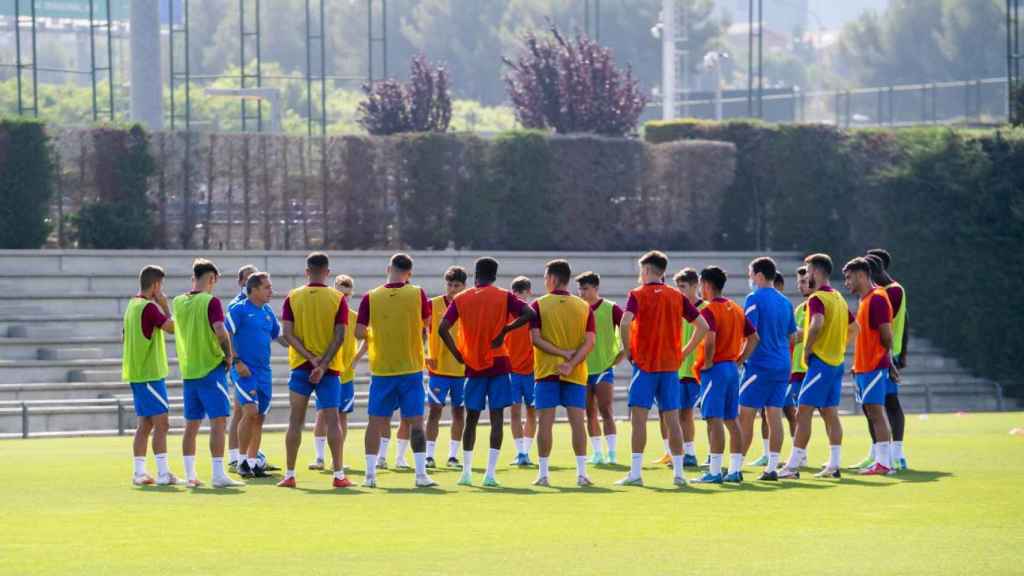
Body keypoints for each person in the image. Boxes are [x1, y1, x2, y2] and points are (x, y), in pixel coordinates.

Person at [438, 257, 535, 487]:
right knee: (497, 418)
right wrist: (506, 331)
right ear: (494, 276)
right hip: (499, 363)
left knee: (471, 418)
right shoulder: (503, 296)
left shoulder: (461, 298)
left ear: (475, 276)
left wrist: (457, 353)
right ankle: (490, 474)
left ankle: (466, 472)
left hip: (473, 365)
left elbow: (442, 328)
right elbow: (529, 313)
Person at [615, 251, 709, 487]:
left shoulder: (637, 294)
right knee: (672, 420)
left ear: (646, 270)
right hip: (669, 367)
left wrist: (628, 351)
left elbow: (625, 322)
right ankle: (679, 473)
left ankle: (636, 473)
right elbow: (703, 325)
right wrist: (684, 352)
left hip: (645, 366)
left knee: (638, 419)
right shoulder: (676, 296)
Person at [358, 253, 437, 488]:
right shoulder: (417, 293)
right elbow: (427, 322)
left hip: (382, 368)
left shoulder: (370, 297)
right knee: (415, 421)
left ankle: (370, 476)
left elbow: (359, 332)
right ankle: (421, 475)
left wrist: (379, 332)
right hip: (410, 366)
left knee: (375, 420)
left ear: (388, 268)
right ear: (409, 274)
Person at [778, 254, 855, 480]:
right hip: (836, 363)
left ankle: (793, 466)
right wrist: (838, 346)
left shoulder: (817, 298)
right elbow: (855, 328)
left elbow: (817, 323)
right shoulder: (839, 298)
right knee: (831, 413)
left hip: (820, 363)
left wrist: (809, 348)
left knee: (803, 411)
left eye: (808, 270)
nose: (806, 274)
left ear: (816, 272)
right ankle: (834, 464)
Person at [277, 253, 349, 489]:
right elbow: (340, 335)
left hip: (300, 368)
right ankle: (338, 474)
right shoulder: (338, 298)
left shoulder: (293, 296)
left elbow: (287, 333)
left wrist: (310, 358)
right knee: (333, 421)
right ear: (327, 272)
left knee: (295, 422)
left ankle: (289, 474)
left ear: (307, 271)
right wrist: (323, 364)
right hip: (328, 372)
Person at [173, 258, 242, 488]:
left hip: (189, 370)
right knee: (218, 422)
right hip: (211, 369)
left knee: (191, 426)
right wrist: (229, 355)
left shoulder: (179, 302)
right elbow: (220, 330)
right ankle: (217, 473)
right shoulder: (210, 301)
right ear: (211, 279)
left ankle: (190, 475)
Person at [531, 260, 596, 486]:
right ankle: (581, 473)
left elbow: (535, 338)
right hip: (575, 373)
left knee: (545, 423)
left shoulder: (539, 305)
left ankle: (543, 474)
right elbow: (590, 342)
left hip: (547, 371)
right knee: (578, 422)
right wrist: (572, 361)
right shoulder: (584, 306)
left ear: (551, 278)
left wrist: (560, 354)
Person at [692, 266, 759, 484]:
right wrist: (739, 359)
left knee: (714, 420)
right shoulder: (736, 308)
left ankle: (714, 471)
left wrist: (709, 363)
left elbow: (710, 340)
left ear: (707, 285)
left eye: (701, 284)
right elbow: (754, 338)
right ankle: (735, 470)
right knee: (732, 419)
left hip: (717, 369)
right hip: (731, 368)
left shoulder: (710, 310)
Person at [737, 257, 795, 481]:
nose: (750, 279)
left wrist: (740, 359)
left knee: (746, 415)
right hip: (782, 365)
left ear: (759, 275)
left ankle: (735, 466)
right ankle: (771, 468)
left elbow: (752, 335)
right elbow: (792, 336)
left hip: (760, 365)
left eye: (751, 274)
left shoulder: (754, 298)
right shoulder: (785, 302)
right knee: (774, 416)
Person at [227, 272, 287, 478]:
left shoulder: (268, 312)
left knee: (260, 417)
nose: (272, 291)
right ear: (254, 290)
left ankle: (253, 463)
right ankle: (241, 461)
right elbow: (226, 334)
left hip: (264, 372)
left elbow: (280, 336)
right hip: (245, 370)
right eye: (267, 287)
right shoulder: (239, 309)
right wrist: (236, 361)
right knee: (250, 411)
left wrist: (306, 347)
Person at [123, 265, 179, 486]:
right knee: (161, 423)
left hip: (137, 373)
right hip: (150, 374)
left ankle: (139, 473)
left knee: (145, 425)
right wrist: (165, 305)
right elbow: (172, 327)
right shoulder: (149, 308)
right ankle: (163, 473)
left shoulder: (131, 306)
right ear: (156, 285)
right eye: (161, 286)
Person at [843, 257, 897, 476]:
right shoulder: (865, 300)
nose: (846, 282)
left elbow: (886, 334)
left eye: (849, 277)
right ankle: (883, 460)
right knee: (872, 412)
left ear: (862, 275)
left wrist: (887, 360)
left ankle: (885, 464)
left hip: (875, 365)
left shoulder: (877, 299)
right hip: (865, 366)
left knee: (876, 411)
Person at [309, 275, 368, 471]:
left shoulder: (354, 316)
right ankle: (319, 457)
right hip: (328, 372)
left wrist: (356, 359)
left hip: (346, 375)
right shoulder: (326, 313)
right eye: (340, 294)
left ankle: (337, 459)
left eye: (348, 295)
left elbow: (367, 339)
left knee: (342, 416)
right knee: (322, 415)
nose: (344, 298)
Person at [859, 249, 909, 471]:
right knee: (877, 404)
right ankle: (881, 453)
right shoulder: (892, 290)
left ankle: (894, 454)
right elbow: (905, 321)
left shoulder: (888, 292)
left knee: (884, 404)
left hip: (885, 355)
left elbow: (888, 326)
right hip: (886, 354)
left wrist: (898, 354)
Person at [576, 271, 624, 465]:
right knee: (589, 412)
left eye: (585, 289)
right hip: (583, 368)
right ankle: (597, 453)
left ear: (596, 288)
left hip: (604, 369)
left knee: (606, 410)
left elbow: (631, 330)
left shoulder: (611, 308)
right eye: (579, 289)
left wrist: (622, 355)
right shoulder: (577, 309)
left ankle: (612, 454)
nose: (581, 293)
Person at [425, 266, 468, 469]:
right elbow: (418, 331)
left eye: (456, 285)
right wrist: (426, 354)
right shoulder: (432, 305)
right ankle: (429, 455)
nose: (452, 289)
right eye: (449, 285)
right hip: (438, 369)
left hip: (462, 370)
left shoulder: (469, 305)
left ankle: (452, 456)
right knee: (434, 412)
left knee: (459, 413)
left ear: (464, 286)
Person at [227, 264, 258, 472]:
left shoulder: (256, 305)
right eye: (247, 280)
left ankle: (247, 456)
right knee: (244, 411)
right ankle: (237, 457)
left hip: (254, 365)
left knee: (242, 410)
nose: (250, 284)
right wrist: (236, 361)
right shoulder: (236, 305)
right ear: (240, 283)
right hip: (242, 366)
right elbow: (227, 335)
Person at [507, 276, 537, 467]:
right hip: (521, 372)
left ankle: (523, 452)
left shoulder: (530, 313)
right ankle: (523, 452)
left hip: (524, 371)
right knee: (526, 413)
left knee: (521, 413)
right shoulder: (529, 312)